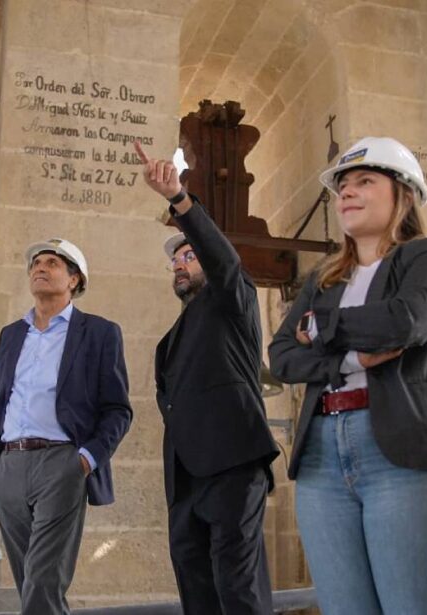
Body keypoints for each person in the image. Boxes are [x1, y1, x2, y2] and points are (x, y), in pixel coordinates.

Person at [269, 137, 427, 615]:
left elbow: (406, 322)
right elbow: (283, 356)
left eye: (365, 181)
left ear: (403, 194)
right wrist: (348, 359)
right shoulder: (322, 280)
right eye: (343, 185)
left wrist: (320, 329)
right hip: (322, 459)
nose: (347, 192)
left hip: (409, 453)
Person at [134, 141, 279, 615]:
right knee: (198, 597)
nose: (179, 262)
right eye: (175, 260)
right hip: (186, 481)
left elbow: (225, 261)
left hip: (233, 464)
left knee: (238, 590)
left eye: (188, 255)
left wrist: (179, 201)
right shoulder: (170, 342)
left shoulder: (232, 302)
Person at [0, 238, 132, 615]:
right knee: (29, 582)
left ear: (74, 279)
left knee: (43, 577)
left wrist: (84, 460)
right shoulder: (11, 334)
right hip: (9, 466)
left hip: (62, 462)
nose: (40, 267)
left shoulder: (99, 332)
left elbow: (117, 409)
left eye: (51, 262)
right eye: (36, 263)